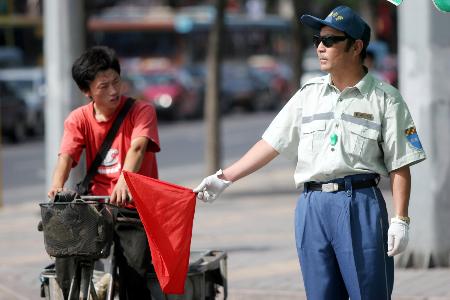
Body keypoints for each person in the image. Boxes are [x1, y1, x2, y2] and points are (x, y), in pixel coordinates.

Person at [194, 5, 426, 300]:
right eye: (318, 39)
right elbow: (272, 142)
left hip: (359, 204)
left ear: (355, 47)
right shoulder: (308, 95)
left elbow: (400, 164)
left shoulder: (385, 99)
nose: (320, 47)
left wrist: (400, 219)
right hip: (312, 206)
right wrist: (224, 178)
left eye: (330, 40)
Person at [47, 46, 160, 299]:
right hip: (97, 206)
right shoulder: (78, 119)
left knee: (133, 271)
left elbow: (138, 147)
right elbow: (66, 156)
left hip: (134, 205)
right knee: (66, 248)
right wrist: (56, 185)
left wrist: (125, 180)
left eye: (116, 82)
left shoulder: (141, 111)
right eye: (103, 86)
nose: (113, 91)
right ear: (87, 92)